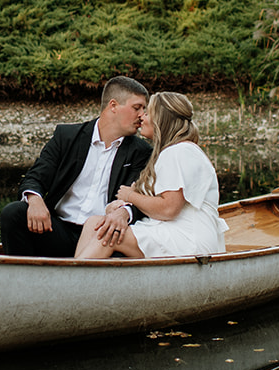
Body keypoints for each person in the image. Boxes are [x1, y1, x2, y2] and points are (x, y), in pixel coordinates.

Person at [0, 76, 152, 258]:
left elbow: (139, 199)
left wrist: (124, 213)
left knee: (117, 236)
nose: (142, 115)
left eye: (144, 109)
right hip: (57, 230)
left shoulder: (141, 152)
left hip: (101, 236)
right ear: (113, 106)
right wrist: (35, 200)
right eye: (137, 108)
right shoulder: (67, 137)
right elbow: (34, 178)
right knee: (13, 213)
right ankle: (20, 280)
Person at [73, 91, 225, 260]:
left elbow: (169, 209)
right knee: (94, 223)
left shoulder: (178, 152)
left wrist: (130, 195)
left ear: (160, 120)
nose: (141, 118)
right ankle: (75, 275)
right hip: (173, 231)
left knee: (110, 234)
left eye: (147, 113)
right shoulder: (175, 151)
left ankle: (73, 281)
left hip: (188, 238)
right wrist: (123, 204)